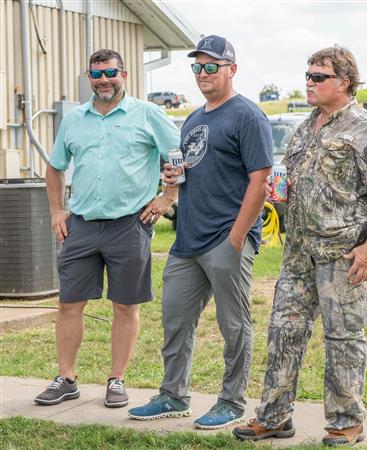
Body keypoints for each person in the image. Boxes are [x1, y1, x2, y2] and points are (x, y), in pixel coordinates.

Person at [233, 46, 367, 446]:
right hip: (298, 254)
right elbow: (296, 180)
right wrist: (282, 192)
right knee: (283, 332)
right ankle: (273, 417)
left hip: (344, 255)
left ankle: (347, 422)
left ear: (344, 82)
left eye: (318, 77)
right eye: (307, 75)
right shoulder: (306, 126)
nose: (308, 82)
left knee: (343, 339)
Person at [128, 35, 273, 429]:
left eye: (212, 66)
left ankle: (232, 401)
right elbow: (191, 170)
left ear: (232, 69)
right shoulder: (194, 118)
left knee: (233, 325)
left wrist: (238, 236)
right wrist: (173, 178)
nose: (203, 73)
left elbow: (260, 180)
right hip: (188, 240)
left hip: (226, 236)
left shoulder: (248, 116)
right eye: (197, 66)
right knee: (175, 320)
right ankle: (173, 395)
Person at [35, 49, 180, 408]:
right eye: (97, 74)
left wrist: (168, 197)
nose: (104, 80)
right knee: (69, 304)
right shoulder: (74, 120)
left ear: (123, 74)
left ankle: (117, 379)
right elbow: (55, 167)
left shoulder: (147, 114)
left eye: (110, 73)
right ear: (90, 77)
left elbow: (178, 155)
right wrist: (57, 211)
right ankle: (66, 378)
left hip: (130, 225)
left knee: (124, 307)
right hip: (81, 226)